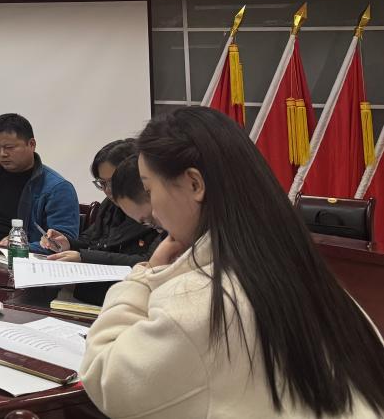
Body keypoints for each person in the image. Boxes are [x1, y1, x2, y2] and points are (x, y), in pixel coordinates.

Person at [81, 106, 384, 418]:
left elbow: (106, 379)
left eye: (149, 189)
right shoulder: (307, 275)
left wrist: (144, 276)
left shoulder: (202, 298)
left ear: (194, 184)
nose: (154, 212)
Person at [0, 113, 79, 251]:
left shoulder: (58, 188)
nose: (2, 154)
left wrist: (19, 246)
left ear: (32, 144)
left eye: (9, 147)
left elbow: (62, 243)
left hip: (17, 258)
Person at [41, 142, 160, 265]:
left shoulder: (156, 212)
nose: (108, 190)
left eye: (113, 182)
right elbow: (91, 240)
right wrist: (68, 243)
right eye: (102, 183)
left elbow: (150, 261)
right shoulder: (109, 205)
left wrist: (85, 257)